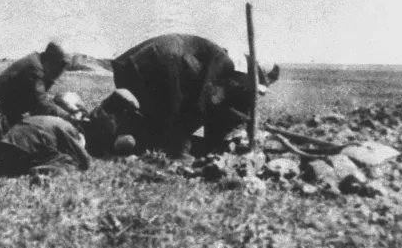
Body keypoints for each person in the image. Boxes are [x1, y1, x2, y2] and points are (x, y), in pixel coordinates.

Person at [110, 33, 279, 157]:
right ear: (250, 73)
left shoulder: (221, 60)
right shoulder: (225, 63)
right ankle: (174, 154)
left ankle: (123, 141)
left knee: (144, 113)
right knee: (178, 110)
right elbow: (202, 104)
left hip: (135, 62)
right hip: (158, 61)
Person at [0, 42, 80, 159]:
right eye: (60, 67)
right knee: (14, 154)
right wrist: (69, 117)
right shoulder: (34, 70)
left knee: (25, 144)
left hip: (0, 114)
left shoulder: (36, 64)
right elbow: (41, 105)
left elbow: (39, 101)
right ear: (51, 62)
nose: (59, 73)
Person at [0, 115, 91, 179]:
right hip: (30, 144)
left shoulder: (53, 120)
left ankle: (4, 165)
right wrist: (84, 165)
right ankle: (41, 169)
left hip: (9, 140)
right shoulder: (70, 129)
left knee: (18, 161)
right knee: (68, 161)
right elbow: (83, 157)